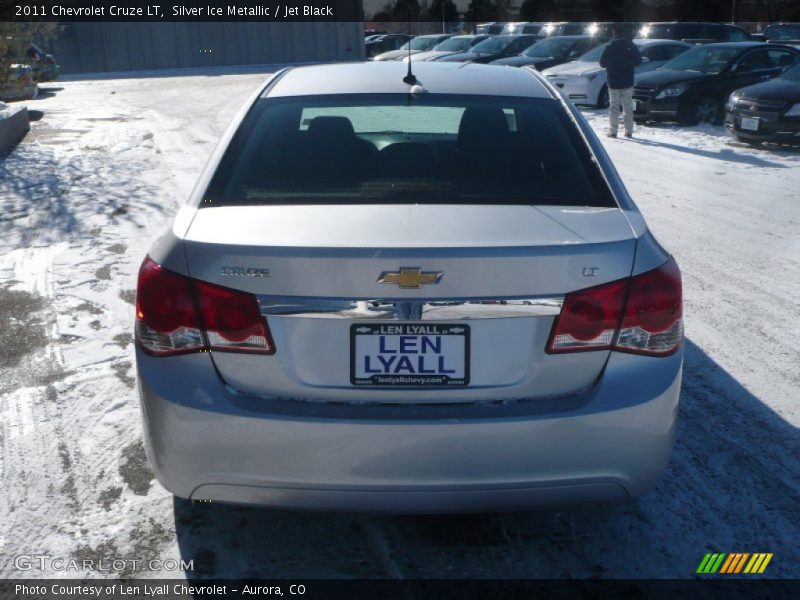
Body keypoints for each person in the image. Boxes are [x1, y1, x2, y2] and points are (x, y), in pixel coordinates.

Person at [599, 23, 642, 138]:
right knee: (627, 106)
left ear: (614, 32)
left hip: (613, 81)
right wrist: (627, 64)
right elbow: (638, 60)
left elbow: (602, 63)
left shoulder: (609, 46)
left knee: (614, 107)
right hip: (627, 80)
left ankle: (613, 131)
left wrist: (612, 65)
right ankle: (628, 131)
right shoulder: (630, 45)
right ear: (623, 32)